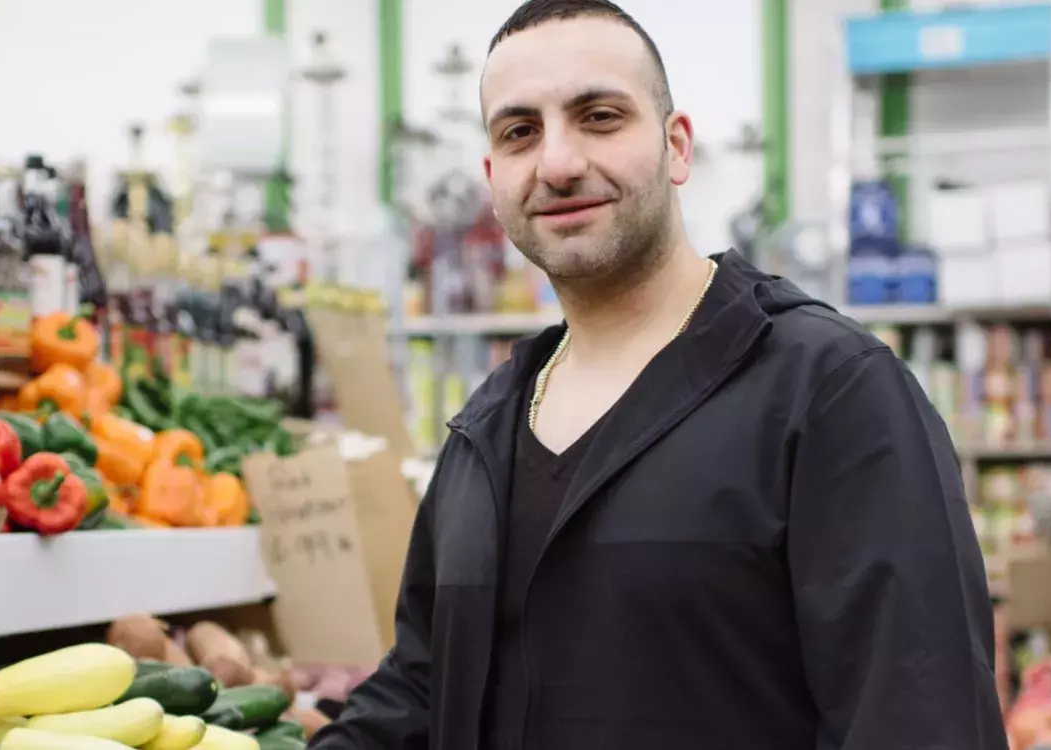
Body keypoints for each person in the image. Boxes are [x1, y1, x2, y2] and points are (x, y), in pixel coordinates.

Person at [310, 1, 1005, 748]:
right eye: (519, 133)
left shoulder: (827, 391)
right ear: (492, 176)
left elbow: (919, 714)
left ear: (677, 148)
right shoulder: (485, 430)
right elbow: (424, 685)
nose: (558, 162)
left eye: (599, 117)